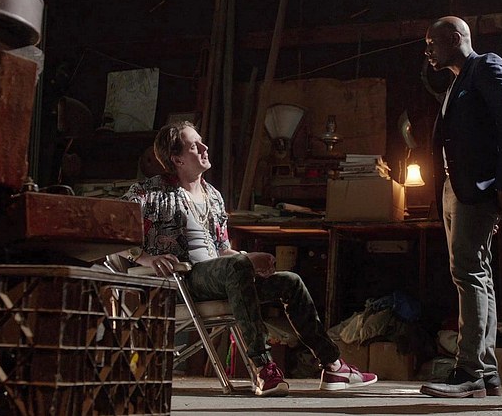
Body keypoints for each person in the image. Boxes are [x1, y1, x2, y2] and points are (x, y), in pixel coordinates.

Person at [123, 121, 376, 397]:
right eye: (195, 146)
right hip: (185, 279)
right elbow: (107, 232)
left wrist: (249, 257)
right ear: (177, 159)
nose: (205, 148)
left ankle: (333, 365)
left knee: (290, 282)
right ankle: (263, 367)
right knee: (238, 266)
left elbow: (222, 250)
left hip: (221, 276)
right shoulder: (150, 192)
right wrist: (145, 258)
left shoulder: (212, 195)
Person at [419, 16, 502, 398]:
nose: (428, 51)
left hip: (478, 189)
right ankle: (486, 373)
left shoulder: (487, 66)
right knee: (475, 273)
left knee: (468, 271)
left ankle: (468, 370)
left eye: (432, 43)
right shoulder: (456, 81)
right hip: (456, 188)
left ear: (454, 39)